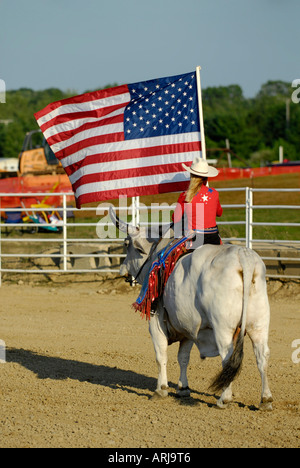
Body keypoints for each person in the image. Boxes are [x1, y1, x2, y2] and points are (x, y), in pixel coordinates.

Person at [172, 157, 223, 247]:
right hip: (213, 237)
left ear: (191, 176)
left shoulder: (185, 195)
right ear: (206, 178)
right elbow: (219, 213)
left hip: (195, 238)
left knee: (171, 255)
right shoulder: (214, 193)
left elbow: (175, 218)